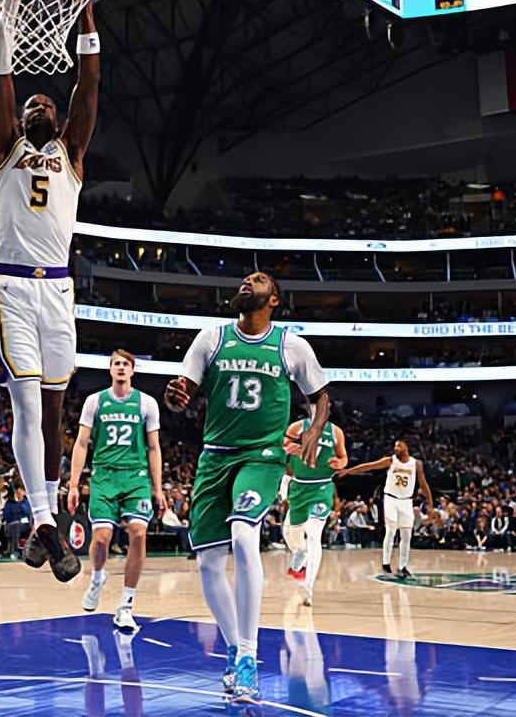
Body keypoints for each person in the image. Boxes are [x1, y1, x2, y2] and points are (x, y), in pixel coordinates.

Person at [164, 271, 330, 702]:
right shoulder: (211, 338)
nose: (246, 282)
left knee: (243, 534)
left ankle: (250, 657)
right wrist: (175, 397)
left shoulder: (291, 345)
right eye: (244, 278)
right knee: (208, 563)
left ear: (273, 299)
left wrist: (314, 429)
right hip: (215, 456)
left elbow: (321, 397)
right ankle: (235, 647)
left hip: (262, 455)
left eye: (257, 280)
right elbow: (184, 391)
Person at [0, 0, 100, 584]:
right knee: (27, 402)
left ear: (57, 120)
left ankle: (45, 520)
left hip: (58, 293)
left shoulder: (70, 152)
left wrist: (86, 22)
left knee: (54, 409)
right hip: (13, 288)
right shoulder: (6, 149)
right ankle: (43, 518)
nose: (37, 106)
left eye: (46, 104)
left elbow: (89, 88)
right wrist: (6, 19)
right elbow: (0, 82)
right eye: (31, 104)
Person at [67, 349, 164, 632]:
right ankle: (98, 576)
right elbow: (81, 443)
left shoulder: (146, 403)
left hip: (136, 477)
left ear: (132, 370)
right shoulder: (95, 401)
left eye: (125, 364)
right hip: (104, 476)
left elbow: (154, 447)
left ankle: (126, 606)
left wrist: (158, 488)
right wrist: (73, 485)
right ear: (110, 370)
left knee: (139, 533)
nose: (121, 367)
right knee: (101, 538)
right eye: (116, 363)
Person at [339, 440, 435, 578]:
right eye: (394, 446)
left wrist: (430, 503)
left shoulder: (416, 464)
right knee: (391, 530)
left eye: (399, 445)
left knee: (407, 534)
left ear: (406, 447)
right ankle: (386, 563)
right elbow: (370, 466)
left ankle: (403, 567)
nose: (396, 448)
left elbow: (424, 485)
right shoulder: (391, 461)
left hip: (406, 501)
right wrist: (349, 471)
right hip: (391, 499)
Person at [282, 416, 347, 606]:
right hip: (299, 487)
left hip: (321, 487)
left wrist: (341, 463)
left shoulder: (335, 431)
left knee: (313, 534)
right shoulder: (296, 427)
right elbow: (281, 449)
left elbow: (343, 457)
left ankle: (308, 587)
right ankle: (300, 553)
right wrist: (288, 449)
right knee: (289, 532)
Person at [2, 483, 33, 559]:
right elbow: (6, 516)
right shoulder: (9, 503)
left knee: (17, 526)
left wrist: (20, 503)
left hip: (25, 526)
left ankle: (16, 550)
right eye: (18, 491)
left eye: (21, 491)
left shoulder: (26, 503)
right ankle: (16, 550)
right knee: (15, 526)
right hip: (10, 526)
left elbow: (27, 514)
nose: (19, 493)